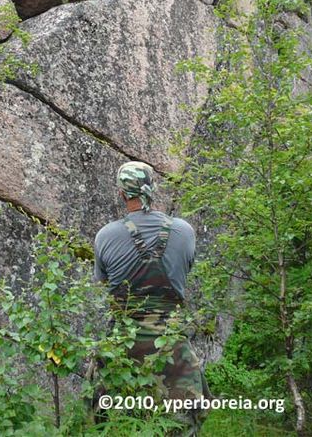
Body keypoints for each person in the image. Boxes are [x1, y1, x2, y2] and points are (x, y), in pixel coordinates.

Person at [92, 161, 210, 434]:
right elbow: (184, 272)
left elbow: (105, 284)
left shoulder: (105, 237)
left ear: (122, 194)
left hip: (123, 349)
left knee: (112, 422)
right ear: (152, 189)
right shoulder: (184, 231)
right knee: (182, 424)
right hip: (172, 348)